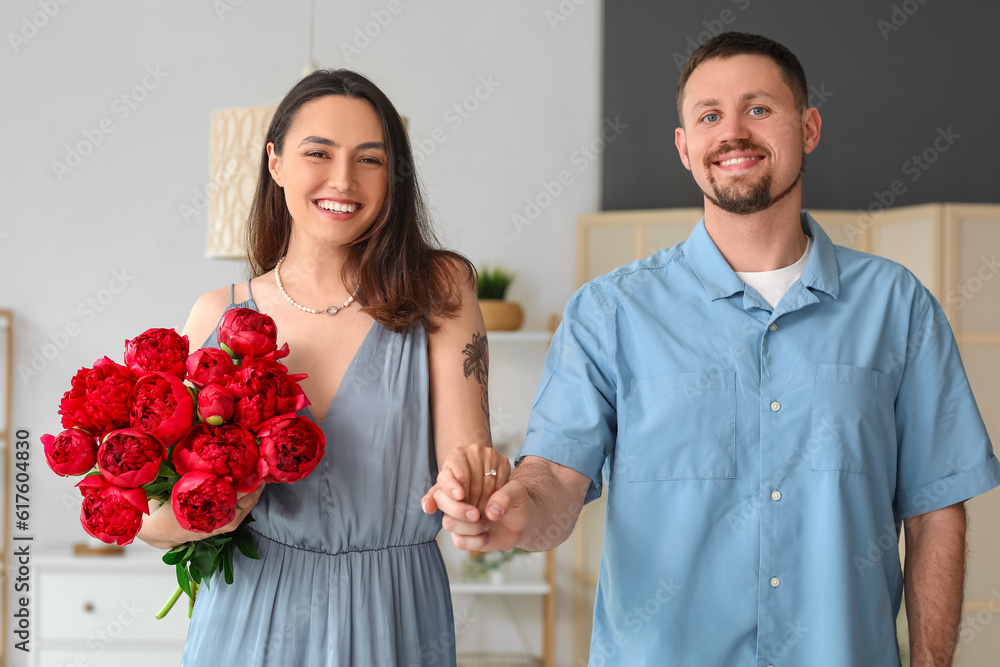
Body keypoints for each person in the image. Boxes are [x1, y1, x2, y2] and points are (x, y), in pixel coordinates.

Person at [425, 32, 1000, 666]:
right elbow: (554, 482)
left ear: (808, 128)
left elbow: (935, 512)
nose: (733, 132)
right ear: (684, 147)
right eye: (709, 116)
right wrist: (511, 513)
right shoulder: (610, 313)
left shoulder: (899, 307)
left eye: (758, 109)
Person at [137, 69, 509, 667]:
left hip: (395, 611)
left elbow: (466, 455)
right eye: (319, 153)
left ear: (394, 178)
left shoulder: (441, 289)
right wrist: (206, 516)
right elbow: (150, 517)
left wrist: (473, 483)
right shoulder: (217, 314)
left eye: (370, 159)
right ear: (275, 162)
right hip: (249, 617)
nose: (344, 180)